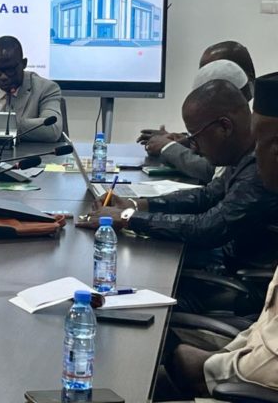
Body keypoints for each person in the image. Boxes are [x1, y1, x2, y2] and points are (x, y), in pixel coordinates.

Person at [79, 79, 278, 272]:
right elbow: (206, 196)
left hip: (236, 273)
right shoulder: (243, 157)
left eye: (195, 137)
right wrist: (136, 204)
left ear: (225, 127)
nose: (194, 147)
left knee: (135, 268)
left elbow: (208, 228)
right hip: (226, 256)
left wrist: (126, 217)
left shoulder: (261, 168)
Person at [164, 72, 278, 398]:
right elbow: (266, 327)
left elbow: (269, 367)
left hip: (247, 385)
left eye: (260, 142)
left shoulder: (255, 176)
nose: (255, 153)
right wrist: (226, 355)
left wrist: (204, 366)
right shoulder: (247, 165)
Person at [137, 41, 256, 183]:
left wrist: (168, 147)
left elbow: (213, 170)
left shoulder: (265, 126)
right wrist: (189, 140)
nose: (207, 77)